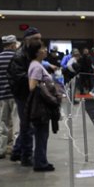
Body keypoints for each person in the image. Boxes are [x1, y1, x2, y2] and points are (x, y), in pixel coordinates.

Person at [25, 41, 61, 172]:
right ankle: (40, 163)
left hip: (42, 106)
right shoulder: (36, 67)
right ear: (36, 52)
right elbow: (33, 86)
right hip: (40, 106)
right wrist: (50, 96)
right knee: (41, 135)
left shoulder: (38, 65)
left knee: (43, 135)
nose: (45, 50)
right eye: (43, 49)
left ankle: (42, 160)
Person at [7, 27, 41, 167]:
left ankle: (16, 151)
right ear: (27, 40)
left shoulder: (31, 54)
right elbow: (18, 76)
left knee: (26, 125)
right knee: (27, 126)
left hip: (29, 94)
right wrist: (36, 76)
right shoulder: (19, 56)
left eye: (40, 38)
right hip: (23, 95)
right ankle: (26, 156)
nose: (39, 41)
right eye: (36, 39)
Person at [0, 35, 19, 159]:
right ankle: (16, 150)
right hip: (16, 95)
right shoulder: (18, 57)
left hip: (1, 95)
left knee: (2, 124)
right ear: (12, 45)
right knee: (17, 124)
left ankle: (0, 151)